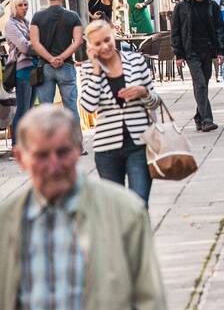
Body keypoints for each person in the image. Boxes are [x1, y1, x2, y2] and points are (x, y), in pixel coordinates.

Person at [0, 105, 167, 309]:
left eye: (62, 153)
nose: (54, 166)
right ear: (20, 158)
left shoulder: (126, 213)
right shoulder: (7, 221)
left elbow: (150, 299)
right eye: (42, 156)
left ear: (78, 148)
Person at [79, 20, 160, 205]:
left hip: (139, 144)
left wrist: (144, 92)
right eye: (98, 43)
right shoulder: (88, 69)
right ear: (91, 46)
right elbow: (88, 105)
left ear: (113, 35)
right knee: (116, 209)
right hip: (107, 148)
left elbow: (155, 102)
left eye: (107, 40)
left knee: (139, 203)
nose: (105, 46)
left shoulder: (136, 60)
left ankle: (140, 235)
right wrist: (96, 70)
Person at [171, 0, 224, 132]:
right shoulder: (181, 7)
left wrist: (220, 50)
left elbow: (219, 28)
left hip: (207, 50)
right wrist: (178, 54)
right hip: (191, 51)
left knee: (203, 84)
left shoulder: (212, 5)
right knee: (200, 83)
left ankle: (198, 117)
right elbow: (175, 32)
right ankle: (207, 119)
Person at [29, 0, 83, 138]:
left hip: (45, 67)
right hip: (66, 66)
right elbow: (78, 41)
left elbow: (35, 43)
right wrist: (62, 57)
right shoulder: (72, 16)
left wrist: (50, 58)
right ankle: (76, 143)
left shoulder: (37, 17)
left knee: (46, 110)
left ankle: (48, 145)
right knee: (71, 107)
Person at [3, 0, 38, 141]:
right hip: (22, 70)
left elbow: (33, 43)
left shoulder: (26, 22)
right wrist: (39, 47)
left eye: (26, 4)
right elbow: (24, 46)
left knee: (30, 110)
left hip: (34, 68)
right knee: (22, 110)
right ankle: (16, 146)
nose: (24, 7)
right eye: (21, 5)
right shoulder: (10, 24)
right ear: (14, 7)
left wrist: (35, 45)